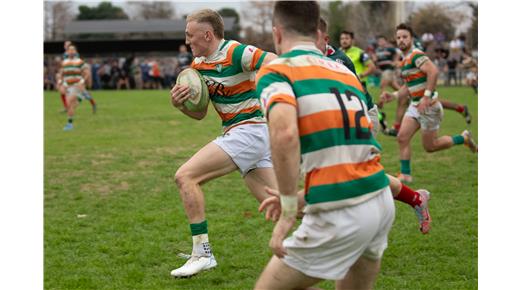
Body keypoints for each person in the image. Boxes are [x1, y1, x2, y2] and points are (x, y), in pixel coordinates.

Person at [254, 2, 395, 289]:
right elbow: (344, 162)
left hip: (342, 211)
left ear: (277, 34)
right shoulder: (344, 72)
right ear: (317, 33)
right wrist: (302, 198)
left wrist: (289, 208)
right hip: (379, 199)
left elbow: (284, 135)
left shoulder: (277, 71)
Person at [169, 8, 277, 278]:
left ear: (207, 34)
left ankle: (202, 253)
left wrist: (266, 89)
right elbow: (200, 113)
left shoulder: (236, 52)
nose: (187, 41)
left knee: (185, 177)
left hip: (250, 131)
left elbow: (275, 62)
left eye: (189, 35)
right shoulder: (197, 67)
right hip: (244, 135)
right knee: (280, 203)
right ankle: (344, 224)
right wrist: (180, 104)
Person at [317, 17, 431, 234]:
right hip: (341, 119)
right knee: (357, 174)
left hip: (362, 116)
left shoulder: (339, 61)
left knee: (353, 175)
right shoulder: (309, 59)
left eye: (314, 40)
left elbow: (353, 99)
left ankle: (354, 229)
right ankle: (415, 198)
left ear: (325, 39)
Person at [381, 23, 477, 183]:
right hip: (415, 106)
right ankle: (406, 175)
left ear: (411, 39)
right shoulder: (404, 61)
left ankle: (463, 138)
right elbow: (408, 85)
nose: (401, 40)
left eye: (405, 37)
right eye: (398, 37)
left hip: (429, 107)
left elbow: (433, 71)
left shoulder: (416, 55)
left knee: (430, 146)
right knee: (402, 138)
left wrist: (426, 96)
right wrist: (394, 95)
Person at [58, 45, 90, 131]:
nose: (71, 52)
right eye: (70, 50)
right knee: (72, 105)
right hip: (68, 86)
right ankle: (81, 97)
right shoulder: (64, 62)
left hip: (77, 85)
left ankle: (69, 124)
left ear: (75, 52)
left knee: (69, 102)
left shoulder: (79, 62)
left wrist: (82, 82)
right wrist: (60, 82)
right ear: (67, 52)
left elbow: (87, 73)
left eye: (73, 50)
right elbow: (61, 74)